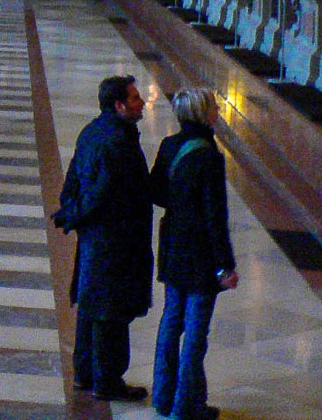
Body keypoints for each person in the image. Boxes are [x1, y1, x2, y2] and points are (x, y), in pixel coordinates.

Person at [54, 74, 153, 402]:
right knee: (111, 310)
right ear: (120, 104)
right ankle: (108, 381)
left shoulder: (93, 130)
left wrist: (70, 211)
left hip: (96, 237)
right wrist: (75, 214)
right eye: (136, 98)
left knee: (90, 304)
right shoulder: (118, 142)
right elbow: (102, 192)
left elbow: (73, 178)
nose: (142, 103)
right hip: (116, 239)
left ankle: (85, 373)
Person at [149, 87, 238, 420]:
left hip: (172, 245)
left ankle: (163, 396)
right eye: (213, 106)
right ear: (203, 113)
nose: (217, 110)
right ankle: (187, 405)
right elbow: (216, 216)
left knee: (171, 321)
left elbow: (156, 191)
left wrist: (180, 204)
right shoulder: (209, 156)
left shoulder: (169, 145)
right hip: (200, 254)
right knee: (196, 330)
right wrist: (225, 266)